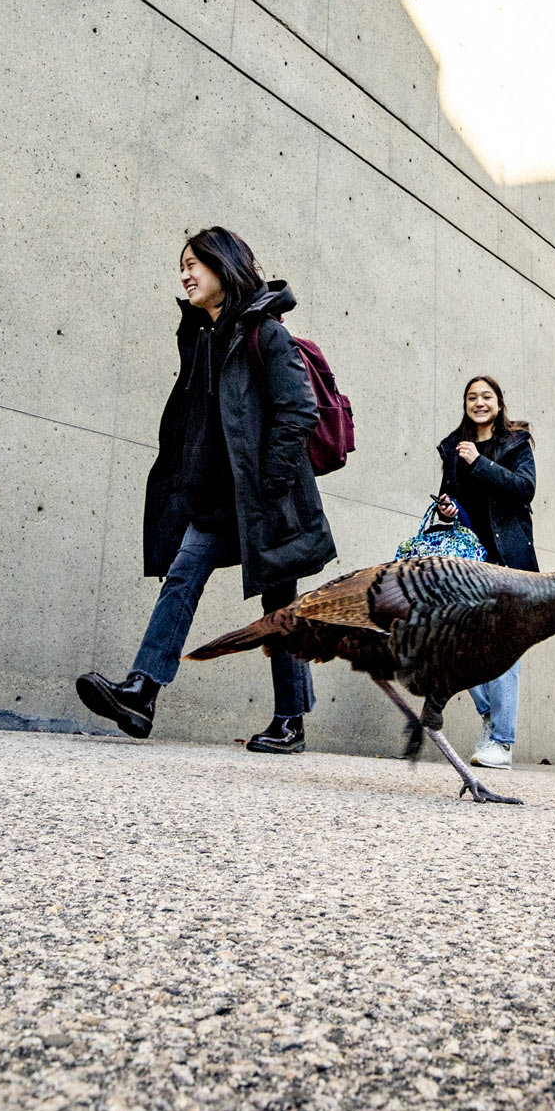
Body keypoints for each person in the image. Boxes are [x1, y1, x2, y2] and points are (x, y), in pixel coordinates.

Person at [76, 227, 336, 753]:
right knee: (183, 577)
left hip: (267, 498)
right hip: (218, 499)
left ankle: (290, 721)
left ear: (225, 267)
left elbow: (299, 413)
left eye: (194, 263)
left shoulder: (266, 335)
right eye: (182, 265)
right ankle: (142, 690)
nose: (185, 273)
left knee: (279, 606)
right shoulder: (201, 337)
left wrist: (270, 483)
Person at [435, 375, 535, 770]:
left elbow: (523, 489)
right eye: (472, 397)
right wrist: (448, 509)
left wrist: (480, 463)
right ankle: (492, 718)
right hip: (468, 561)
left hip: (508, 560)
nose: (479, 403)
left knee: (505, 649)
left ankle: (503, 743)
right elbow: (455, 501)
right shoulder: (452, 447)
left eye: (486, 396)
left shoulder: (516, 443)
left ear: (498, 402)